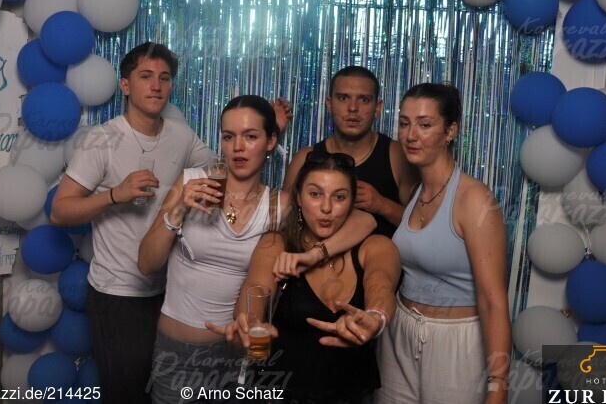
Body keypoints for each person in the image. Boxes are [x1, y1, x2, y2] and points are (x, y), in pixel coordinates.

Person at [52, 43, 290, 403]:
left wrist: (267, 131)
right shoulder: (102, 139)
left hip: (166, 292)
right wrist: (115, 194)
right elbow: (59, 212)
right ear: (125, 85)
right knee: (130, 393)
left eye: (164, 78)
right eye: (146, 76)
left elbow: (231, 163)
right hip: (120, 291)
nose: (156, 86)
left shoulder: (181, 135)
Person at [138, 96, 375, 403]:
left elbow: (364, 220)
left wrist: (315, 254)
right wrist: (177, 209)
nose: (238, 147)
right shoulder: (191, 181)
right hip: (177, 353)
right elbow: (146, 264)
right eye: (229, 137)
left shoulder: (279, 206)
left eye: (250, 136)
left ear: (270, 141)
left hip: (239, 355)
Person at [209, 151, 401, 403]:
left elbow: (381, 286)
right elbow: (256, 287)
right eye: (315, 194)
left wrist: (376, 318)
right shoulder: (277, 244)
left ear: (352, 201)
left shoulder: (376, 246)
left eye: (339, 197)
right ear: (299, 197)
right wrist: (250, 323)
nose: (326, 208)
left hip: (351, 396)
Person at [376, 83, 511, 404]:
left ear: (450, 131)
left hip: (455, 340)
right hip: (400, 331)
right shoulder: (415, 192)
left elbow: (493, 300)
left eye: (425, 125)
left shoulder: (474, 199)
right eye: (404, 123)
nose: (411, 135)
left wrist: (499, 384)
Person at [283, 66, 417, 240]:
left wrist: (382, 205)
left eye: (364, 99)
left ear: (377, 108)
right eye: (343, 98)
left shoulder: (396, 154)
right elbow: (285, 225)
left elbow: (422, 228)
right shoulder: (305, 158)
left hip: (381, 256)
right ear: (329, 104)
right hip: (315, 256)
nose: (353, 108)